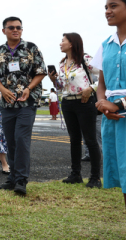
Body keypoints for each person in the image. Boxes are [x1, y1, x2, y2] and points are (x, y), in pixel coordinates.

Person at [0, 16, 46, 196]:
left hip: (27, 101)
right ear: (4, 30)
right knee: (10, 140)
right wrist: (2, 90)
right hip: (7, 103)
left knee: (21, 139)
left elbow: (41, 72)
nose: (15, 30)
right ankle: (12, 177)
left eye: (19, 27)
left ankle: (21, 180)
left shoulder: (31, 48)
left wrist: (29, 88)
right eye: (11, 27)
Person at [92, 0, 126, 226]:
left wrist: (119, 104)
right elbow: (101, 84)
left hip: (125, 112)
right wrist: (103, 104)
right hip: (114, 118)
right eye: (106, 7)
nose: (108, 11)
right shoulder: (106, 44)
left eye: (113, 6)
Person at [48, 33, 101, 188]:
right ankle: (76, 174)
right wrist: (53, 80)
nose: (60, 43)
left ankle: (95, 177)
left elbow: (105, 75)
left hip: (84, 102)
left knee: (90, 140)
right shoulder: (62, 62)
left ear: (71, 43)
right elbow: (61, 86)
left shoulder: (85, 59)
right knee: (74, 139)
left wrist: (91, 88)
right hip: (68, 103)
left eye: (63, 41)